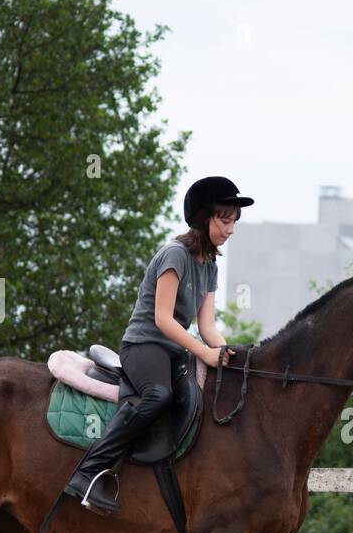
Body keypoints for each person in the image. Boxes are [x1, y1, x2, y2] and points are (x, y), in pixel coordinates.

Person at [61, 175, 254, 514]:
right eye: (225, 220)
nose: (231, 230)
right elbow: (163, 319)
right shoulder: (174, 255)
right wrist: (204, 352)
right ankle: (87, 472)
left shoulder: (210, 265)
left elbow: (207, 326)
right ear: (203, 217)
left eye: (233, 222)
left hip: (174, 349)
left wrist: (226, 352)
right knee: (158, 396)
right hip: (143, 345)